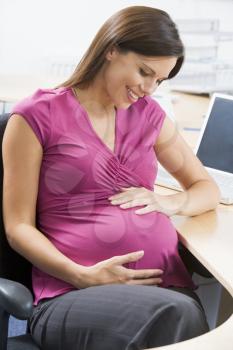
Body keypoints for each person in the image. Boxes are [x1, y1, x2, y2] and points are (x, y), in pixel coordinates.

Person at [3, 6, 220, 350]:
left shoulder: (150, 117)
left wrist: (170, 201)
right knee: (182, 319)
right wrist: (82, 276)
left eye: (159, 80)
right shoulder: (35, 117)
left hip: (165, 292)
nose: (149, 88)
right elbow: (17, 228)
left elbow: (207, 189)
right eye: (144, 71)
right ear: (112, 48)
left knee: (182, 315)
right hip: (72, 294)